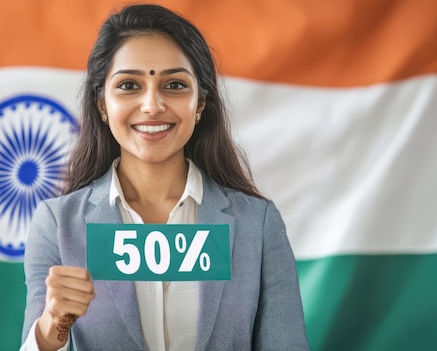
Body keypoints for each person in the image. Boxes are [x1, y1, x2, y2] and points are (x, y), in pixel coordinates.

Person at [20, 4, 309, 350]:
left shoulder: (258, 226)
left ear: (200, 103)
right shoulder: (56, 225)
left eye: (174, 84)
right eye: (129, 85)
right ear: (102, 104)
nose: (152, 105)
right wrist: (52, 327)